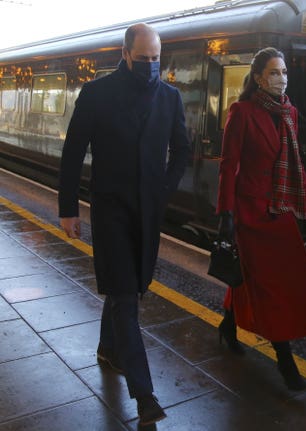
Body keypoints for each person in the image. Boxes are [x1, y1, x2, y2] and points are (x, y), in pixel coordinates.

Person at [58, 23, 191, 426]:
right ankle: (145, 395)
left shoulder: (170, 97)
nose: (151, 66)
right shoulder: (97, 94)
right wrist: (68, 208)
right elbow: (72, 152)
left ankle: (108, 349)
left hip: (147, 213)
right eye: (144, 58)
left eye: (157, 59)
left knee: (128, 288)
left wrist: (163, 191)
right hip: (110, 210)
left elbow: (183, 150)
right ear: (126, 53)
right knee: (126, 296)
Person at [216, 47, 306, 390]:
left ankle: (227, 325)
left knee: (266, 279)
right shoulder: (242, 112)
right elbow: (228, 166)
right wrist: (226, 214)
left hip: (279, 209)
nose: (281, 79)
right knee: (270, 286)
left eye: (284, 73)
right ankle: (285, 362)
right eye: (274, 73)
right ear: (258, 78)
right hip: (250, 212)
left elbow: (295, 162)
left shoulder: (290, 112)